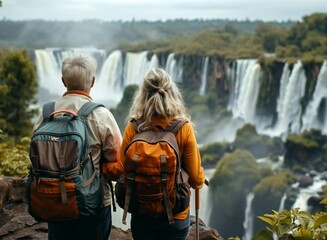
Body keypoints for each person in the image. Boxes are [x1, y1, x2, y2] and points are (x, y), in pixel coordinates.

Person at [32, 54, 122, 240]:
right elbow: (117, 161)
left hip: (54, 199)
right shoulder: (101, 115)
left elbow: (35, 155)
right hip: (93, 203)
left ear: (63, 81)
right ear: (93, 81)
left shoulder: (46, 113)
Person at [111, 68, 205, 239]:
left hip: (141, 213)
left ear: (142, 95)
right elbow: (196, 180)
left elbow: (121, 169)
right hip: (176, 216)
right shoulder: (184, 129)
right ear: (172, 93)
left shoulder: (134, 128)